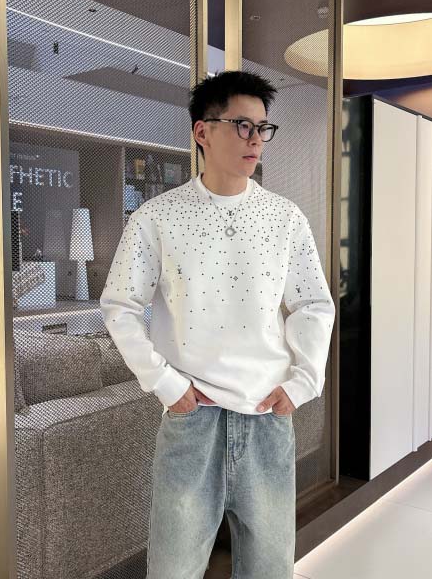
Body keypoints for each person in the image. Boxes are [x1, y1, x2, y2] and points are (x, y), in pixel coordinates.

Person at [100, 70, 335, 579]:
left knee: (269, 568)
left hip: (267, 415)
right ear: (202, 131)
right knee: (174, 569)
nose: (256, 139)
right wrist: (166, 384)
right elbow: (119, 305)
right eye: (242, 125)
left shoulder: (284, 217)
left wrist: (302, 383)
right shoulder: (157, 217)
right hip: (193, 418)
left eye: (263, 128)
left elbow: (315, 304)